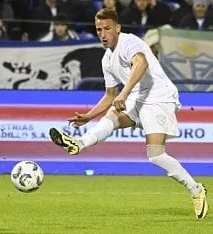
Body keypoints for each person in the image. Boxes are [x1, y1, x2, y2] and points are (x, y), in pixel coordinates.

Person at [49, 8, 208, 219]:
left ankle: (196, 189)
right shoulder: (107, 59)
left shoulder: (130, 42)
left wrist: (124, 94)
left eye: (107, 29)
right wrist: (89, 115)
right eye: (98, 30)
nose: (103, 34)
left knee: (156, 155)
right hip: (136, 97)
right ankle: (79, 144)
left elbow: (141, 64)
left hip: (158, 96)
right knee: (111, 117)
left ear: (117, 28)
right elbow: (109, 95)